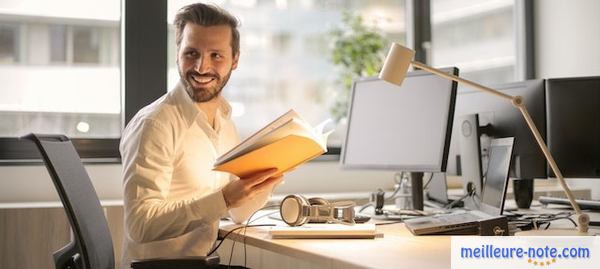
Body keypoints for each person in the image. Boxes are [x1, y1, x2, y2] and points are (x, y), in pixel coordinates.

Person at [119, 3, 283, 267]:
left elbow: (238, 214)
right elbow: (140, 225)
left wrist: (266, 180)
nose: (201, 67)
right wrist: (225, 197)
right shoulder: (155, 123)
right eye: (191, 53)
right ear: (178, 53)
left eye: (216, 55)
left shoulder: (225, 122)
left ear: (235, 59)